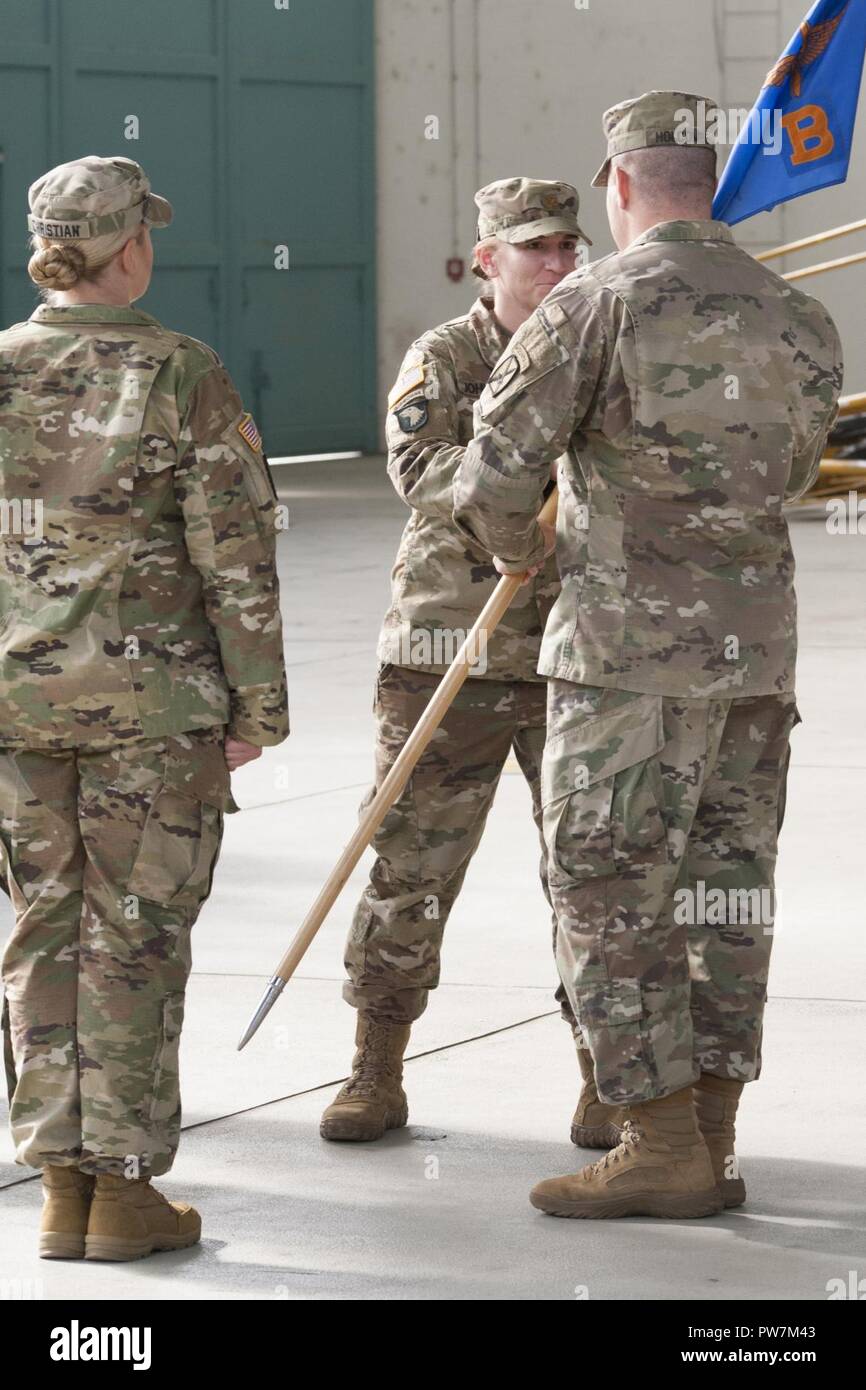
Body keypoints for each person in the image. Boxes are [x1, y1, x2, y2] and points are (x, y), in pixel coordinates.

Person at [453, 92, 842, 1219]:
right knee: (727, 892)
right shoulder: (799, 315)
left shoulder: (591, 304)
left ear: (616, 185)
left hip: (625, 665)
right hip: (755, 662)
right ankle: (712, 1137)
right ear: (707, 185)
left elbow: (490, 479)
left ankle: (659, 1139)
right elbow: (796, 473)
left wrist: (523, 547)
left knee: (609, 890)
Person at [0, 155, 289, 1259]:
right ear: (131, 249)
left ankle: (58, 1189)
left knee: (42, 933)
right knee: (136, 938)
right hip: (150, 710)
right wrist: (256, 704)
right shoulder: (181, 372)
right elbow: (236, 550)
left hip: (20, 714)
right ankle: (120, 1191)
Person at [320, 179, 607, 1143]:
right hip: (452, 640)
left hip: (578, 648)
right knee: (410, 862)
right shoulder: (445, 355)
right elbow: (418, 471)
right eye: (537, 249)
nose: (560, 265)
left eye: (571, 246)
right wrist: (525, 490)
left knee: (590, 870)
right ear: (489, 259)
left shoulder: (601, 349)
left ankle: (604, 1077)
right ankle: (376, 1065)